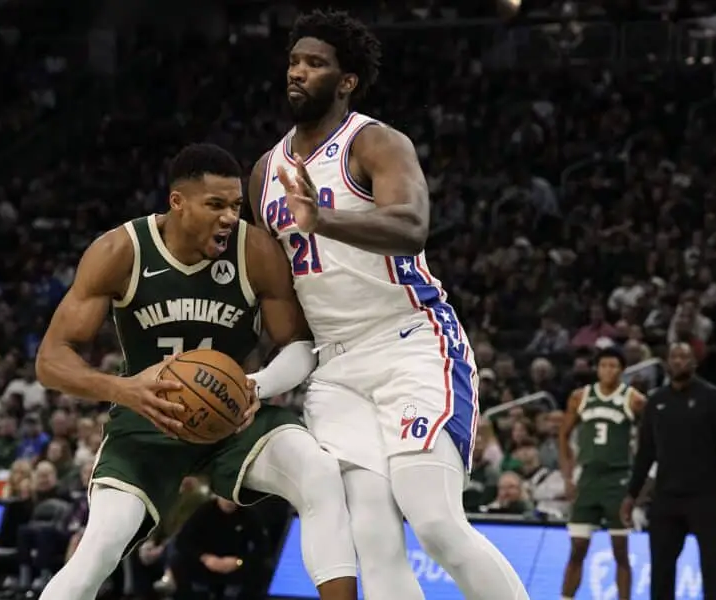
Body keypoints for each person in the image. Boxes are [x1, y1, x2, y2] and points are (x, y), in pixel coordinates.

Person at [247, 10, 528, 600]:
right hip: (334, 366)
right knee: (372, 536)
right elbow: (280, 297)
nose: (297, 72)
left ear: (346, 81)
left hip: (410, 342)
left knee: (436, 523)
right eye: (294, 61)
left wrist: (322, 218)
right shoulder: (264, 173)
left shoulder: (375, 142)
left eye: (315, 63)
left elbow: (411, 226)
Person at [36, 143, 357, 600]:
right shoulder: (120, 250)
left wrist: (256, 386)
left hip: (231, 414)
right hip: (148, 418)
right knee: (98, 550)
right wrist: (123, 389)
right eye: (216, 204)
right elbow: (50, 360)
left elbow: (300, 345)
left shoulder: (254, 250)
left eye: (236, 205)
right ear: (178, 202)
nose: (229, 217)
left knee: (319, 471)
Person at [622, 342, 716, 600]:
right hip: (666, 497)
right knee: (661, 567)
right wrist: (631, 494)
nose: (678, 361)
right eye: (674, 356)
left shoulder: (712, 398)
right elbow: (645, 453)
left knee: (713, 565)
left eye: (684, 357)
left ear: (694, 363)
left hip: (705, 496)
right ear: (666, 362)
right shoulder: (656, 401)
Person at [558, 347, 645, 600]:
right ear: (597, 369)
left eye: (613, 366)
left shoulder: (635, 399)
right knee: (577, 548)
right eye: (604, 365)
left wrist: (640, 480)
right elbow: (563, 435)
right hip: (587, 479)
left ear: (622, 370)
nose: (608, 370)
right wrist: (567, 476)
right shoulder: (580, 397)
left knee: (620, 551)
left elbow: (650, 438)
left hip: (618, 480)